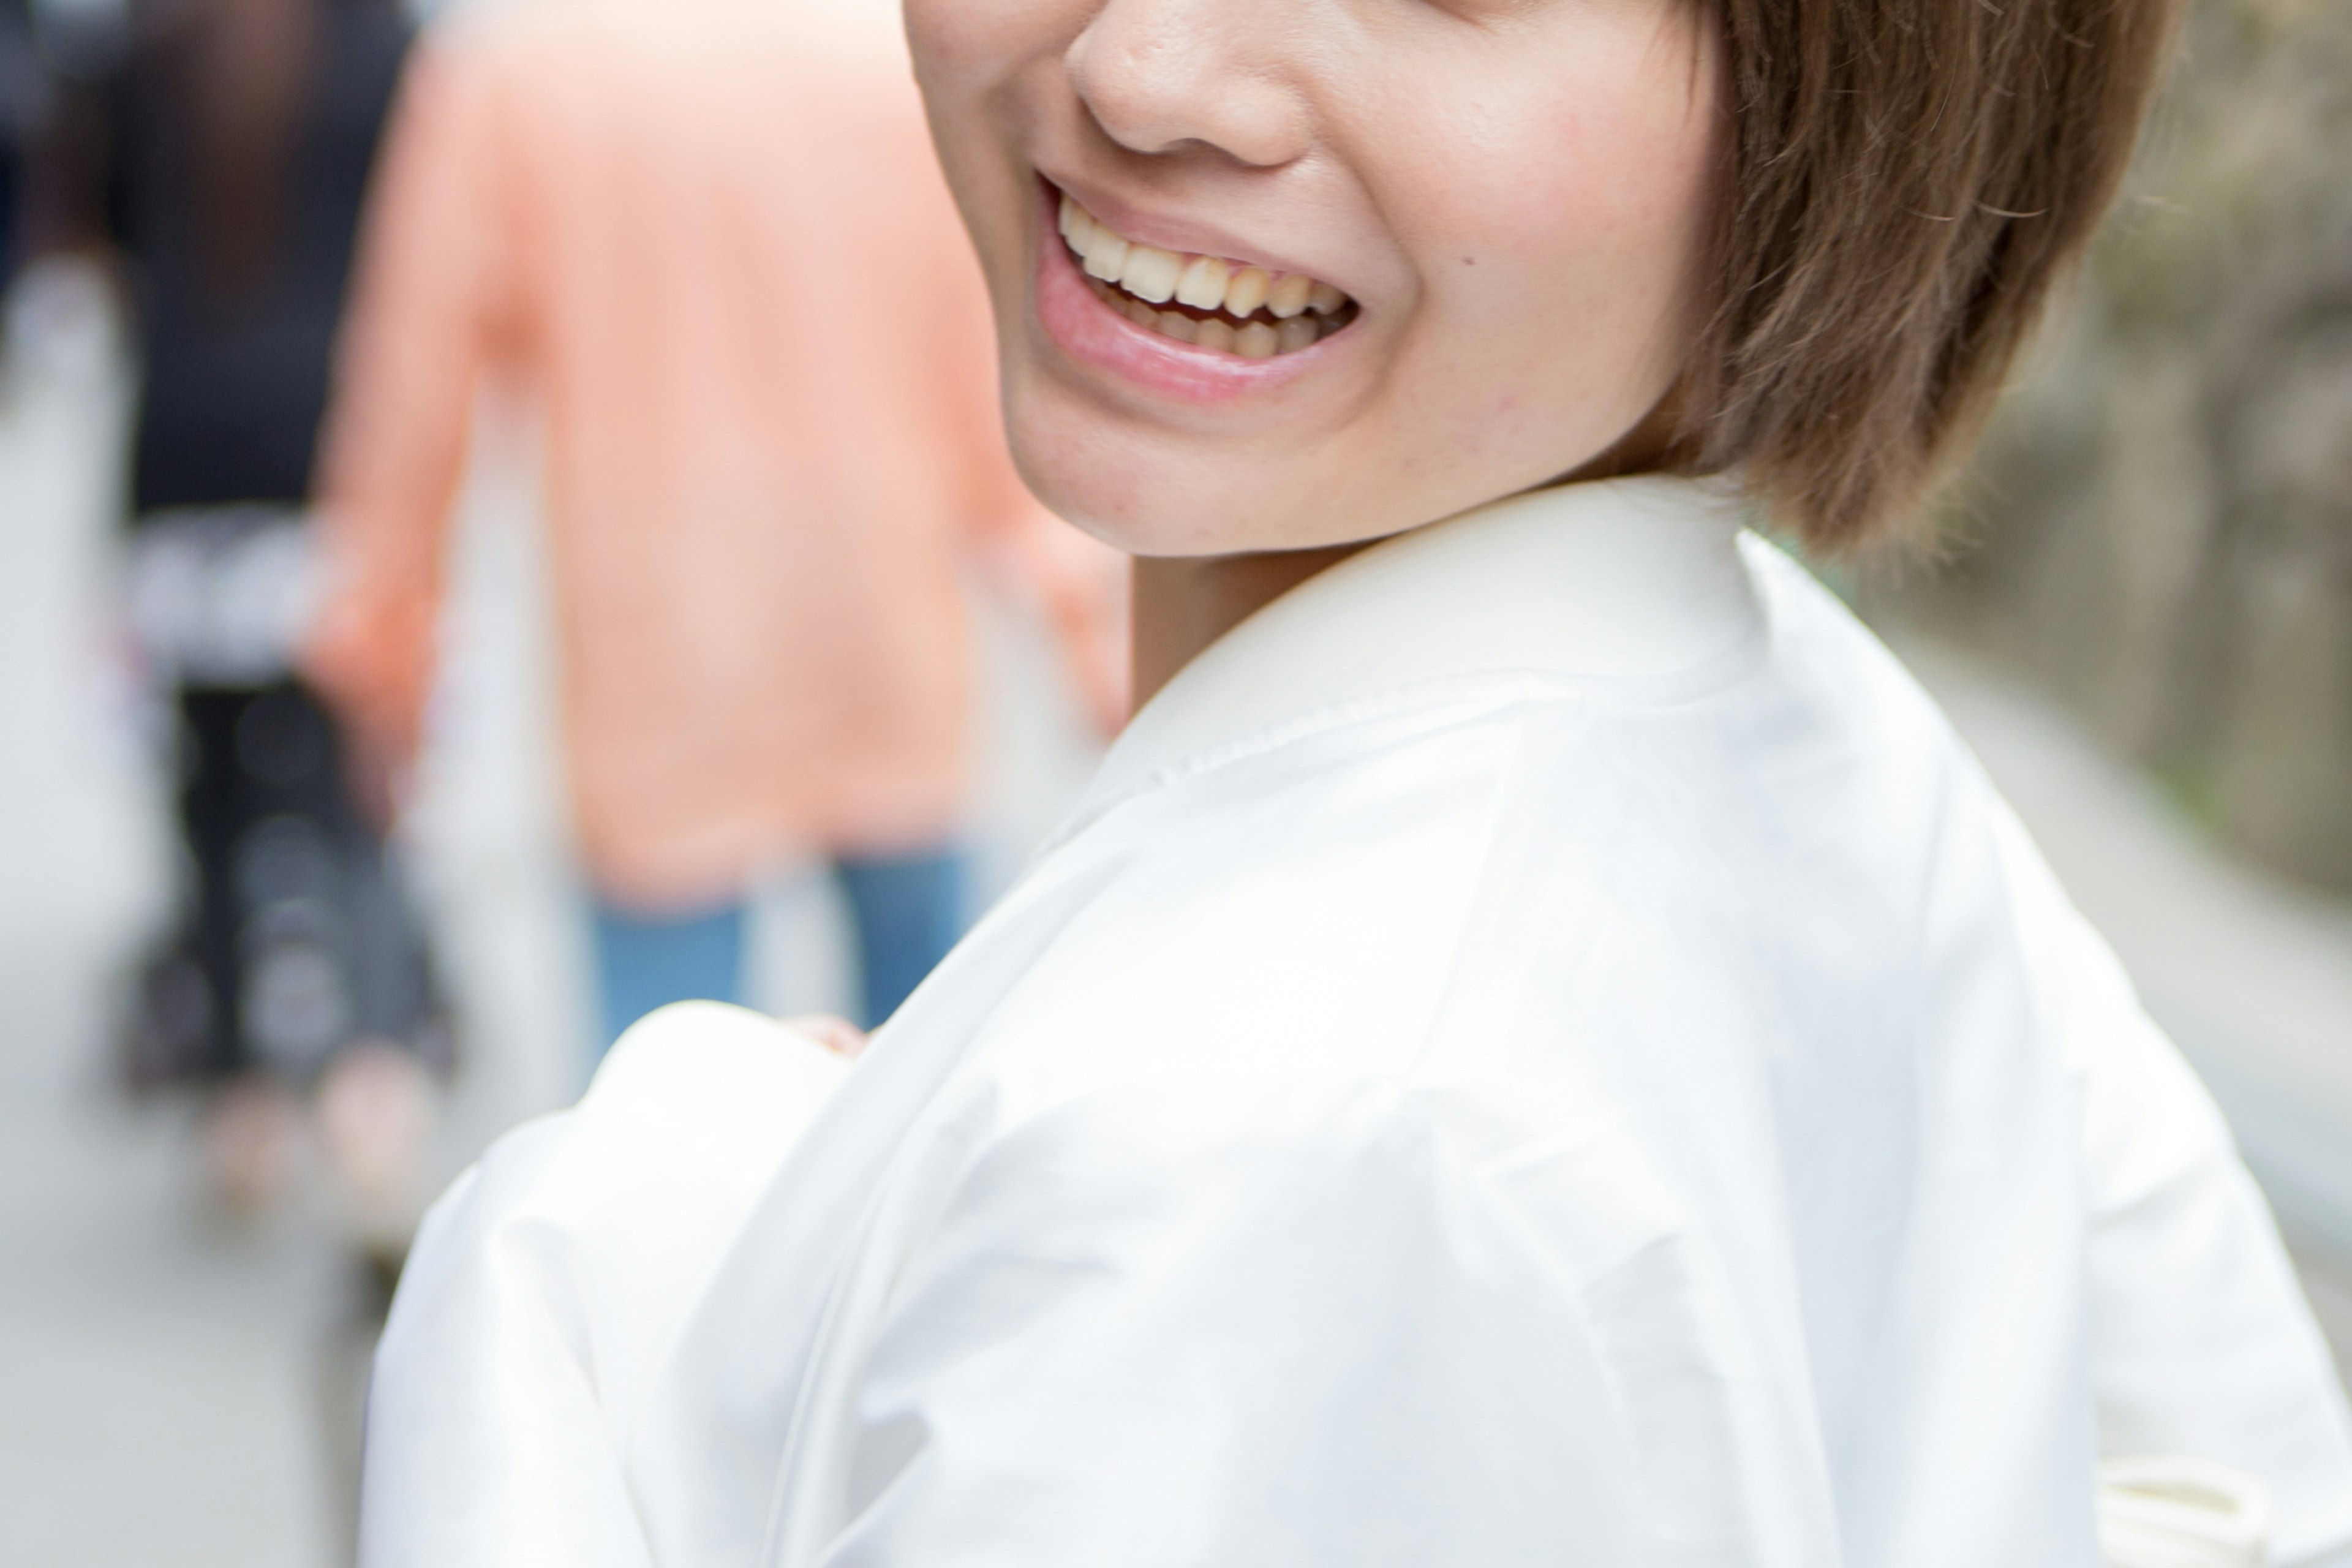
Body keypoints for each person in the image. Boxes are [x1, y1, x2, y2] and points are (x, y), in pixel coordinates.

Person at [361, 0, 2352, 1561]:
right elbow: (2226, 1484)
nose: (1148, 69)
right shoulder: (1811, 725)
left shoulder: (1288, 1129)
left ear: (1850, 84)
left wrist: (595, 1252)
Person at [303, 0, 1124, 1058]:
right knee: (923, 1094)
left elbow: (409, 395)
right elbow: (991, 363)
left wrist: (381, 649)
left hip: (658, 657)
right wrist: (1091, 628)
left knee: (665, 1112)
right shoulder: (899, 52)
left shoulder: (518, 76)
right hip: (881, 634)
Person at [58, 0, 444, 1234]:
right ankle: (371, 1082)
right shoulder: (379, 46)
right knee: (350, 792)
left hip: (177, 459)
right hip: (330, 457)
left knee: (212, 794)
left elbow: (102, 244)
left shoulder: (137, 54)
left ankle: (240, 1106)